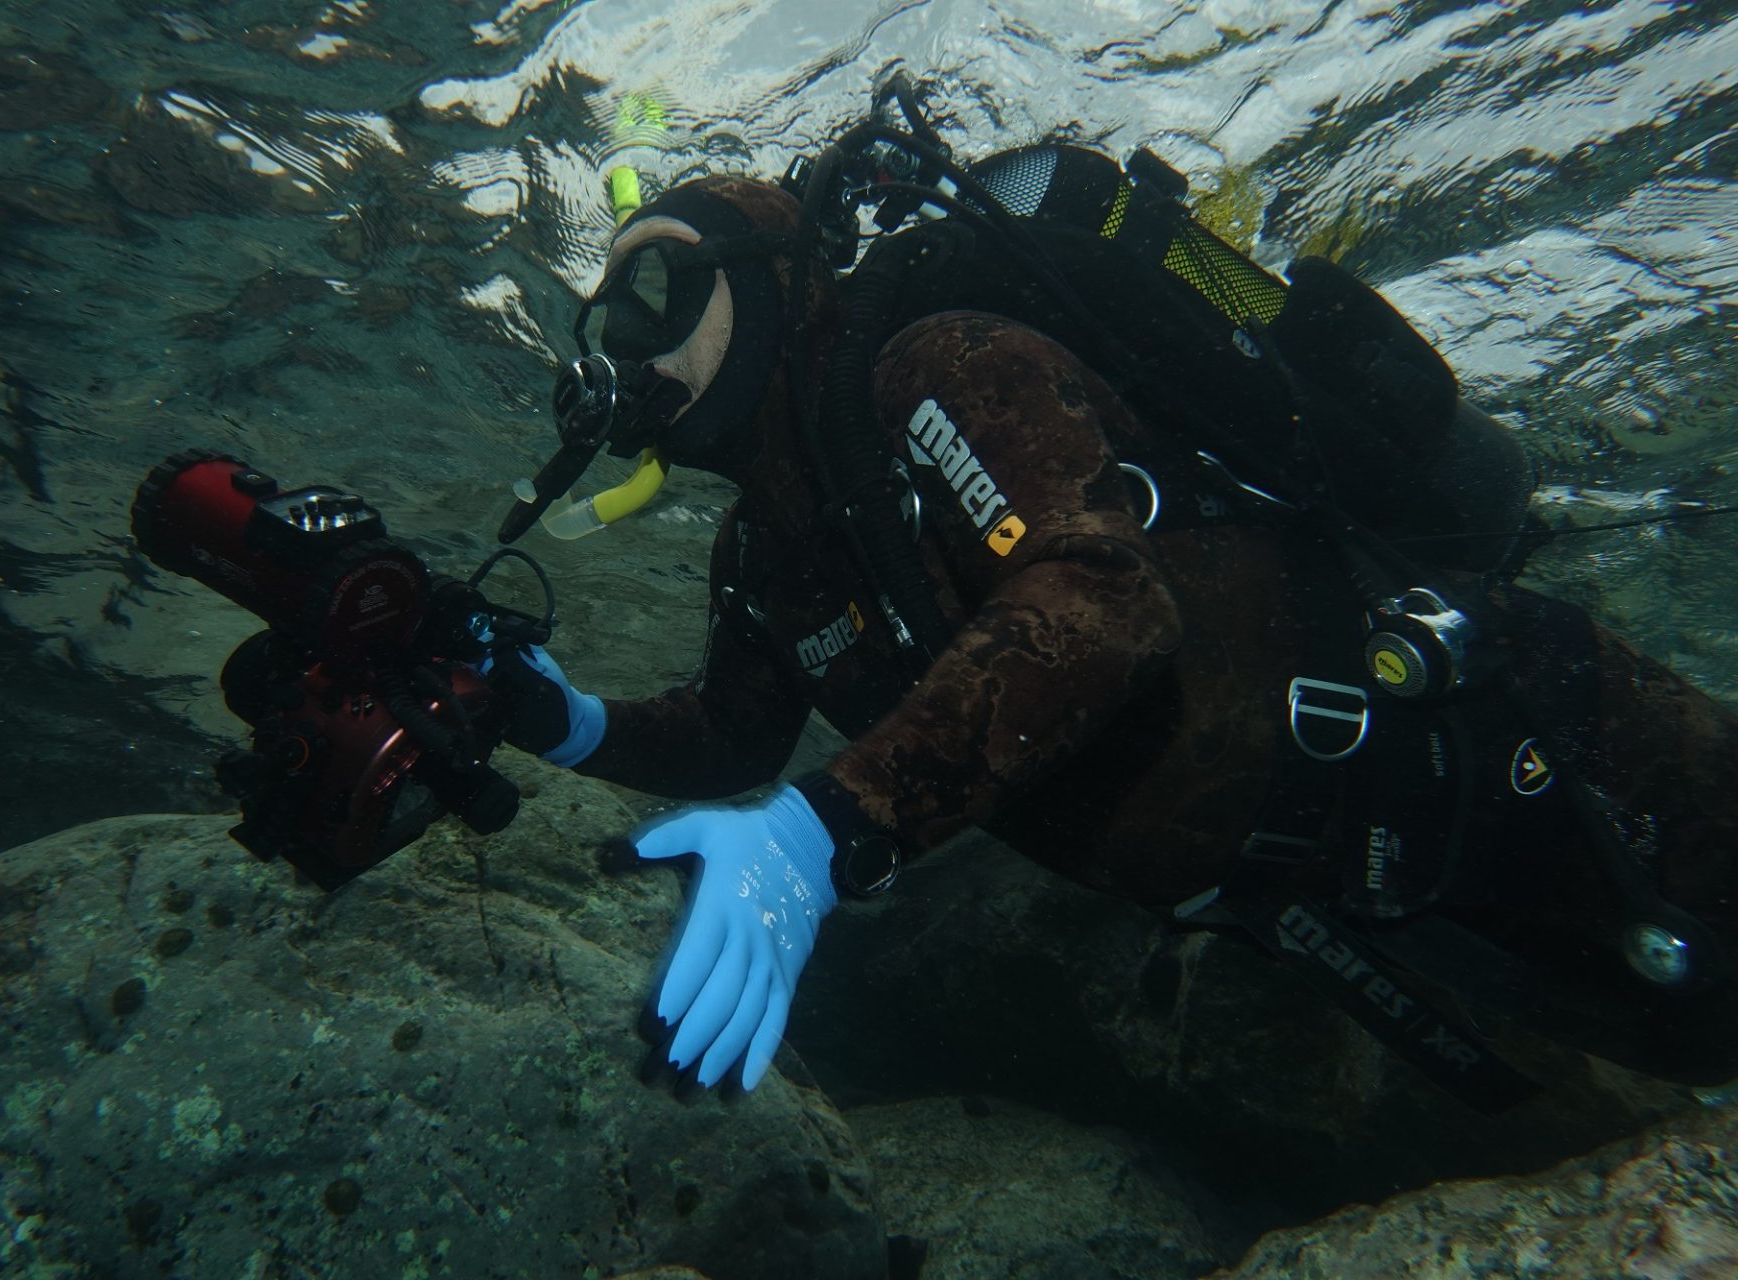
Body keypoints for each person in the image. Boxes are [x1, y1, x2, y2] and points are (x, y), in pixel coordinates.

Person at [484, 106, 1738, 1108]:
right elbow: (731, 735)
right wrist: (565, 719)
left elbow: (1106, 599)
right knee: (1698, 1055)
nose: (622, 344)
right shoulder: (768, 551)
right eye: (603, 319)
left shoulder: (934, 365)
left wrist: (826, 833)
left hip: (1507, 734)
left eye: (655, 295)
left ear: (766, 279)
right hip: (1346, 900)